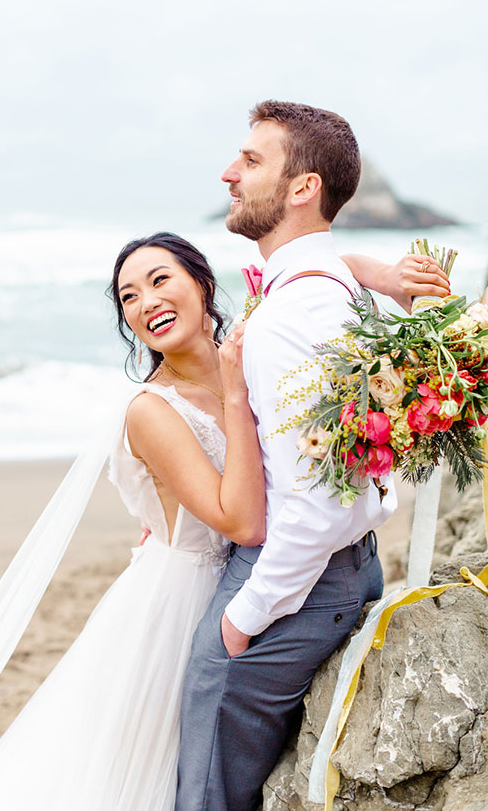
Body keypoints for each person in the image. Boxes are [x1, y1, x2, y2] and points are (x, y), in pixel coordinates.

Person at [0, 242, 447, 809]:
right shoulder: (151, 410)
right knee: (157, 767)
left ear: (205, 284)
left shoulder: (254, 333)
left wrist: (385, 277)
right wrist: (238, 399)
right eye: (128, 297)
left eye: (160, 280)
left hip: (254, 580)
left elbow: (321, 265)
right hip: (182, 595)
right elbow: (242, 521)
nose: (145, 302)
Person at [174, 100, 451, 811]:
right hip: (338, 567)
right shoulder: (322, 287)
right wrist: (375, 272)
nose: (229, 173)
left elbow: (321, 501)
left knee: (209, 790)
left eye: (252, 160)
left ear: (304, 188)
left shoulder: (291, 321)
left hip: (298, 583)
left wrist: (248, 615)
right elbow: (325, 264)